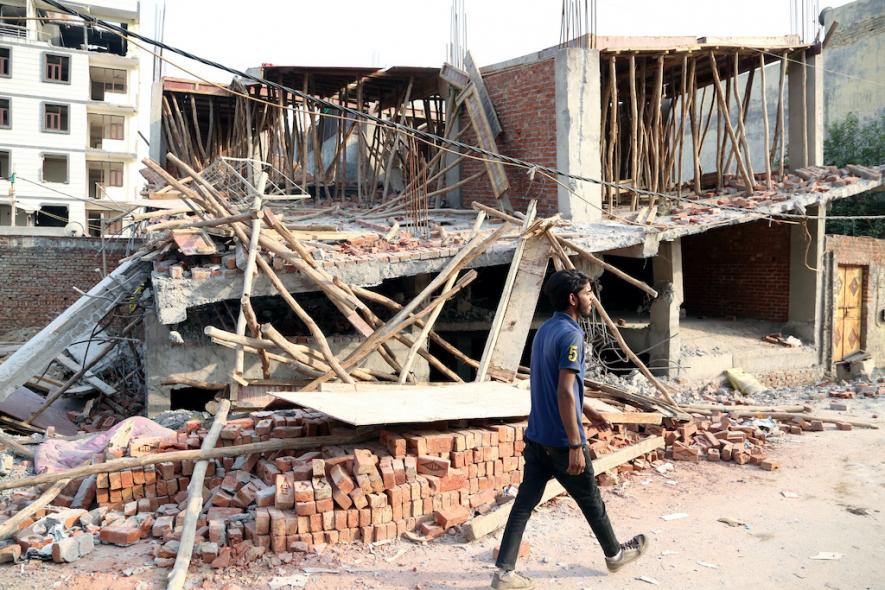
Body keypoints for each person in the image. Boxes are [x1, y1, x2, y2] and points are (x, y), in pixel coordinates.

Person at [491, 269, 648, 590]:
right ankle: (615, 555)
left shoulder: (545, 331)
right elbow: (564, 390)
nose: (592, 299)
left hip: (536, 438)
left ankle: (504, 574)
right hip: (563, 442)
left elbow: (557, 385)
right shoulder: (572, 336)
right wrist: (576, 444)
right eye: (589, 293)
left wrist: (589, 410)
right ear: (573, 298)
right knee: (591, 500)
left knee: (523, 504)